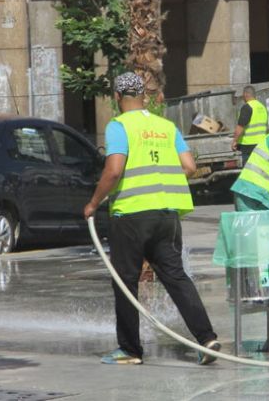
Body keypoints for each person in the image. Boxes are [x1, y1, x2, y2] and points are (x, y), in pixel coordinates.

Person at [83, 72, 220, 366]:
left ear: (118, 98)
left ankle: (130, 350)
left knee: (125, 281)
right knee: (176, 276)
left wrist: (93, 203)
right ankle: (206, 338)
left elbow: (114, 170)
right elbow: (189, 165)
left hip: (132, 214)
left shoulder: (119, 126)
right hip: (166, 214)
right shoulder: (166, 126)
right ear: (144, 96)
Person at [232, 86, 269, 165]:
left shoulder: (247, 107)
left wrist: (234, 141)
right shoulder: (262, 107)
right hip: (261, 145)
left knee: (249, 172)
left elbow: (240, 127)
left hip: (248, 147)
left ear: (246, 94)